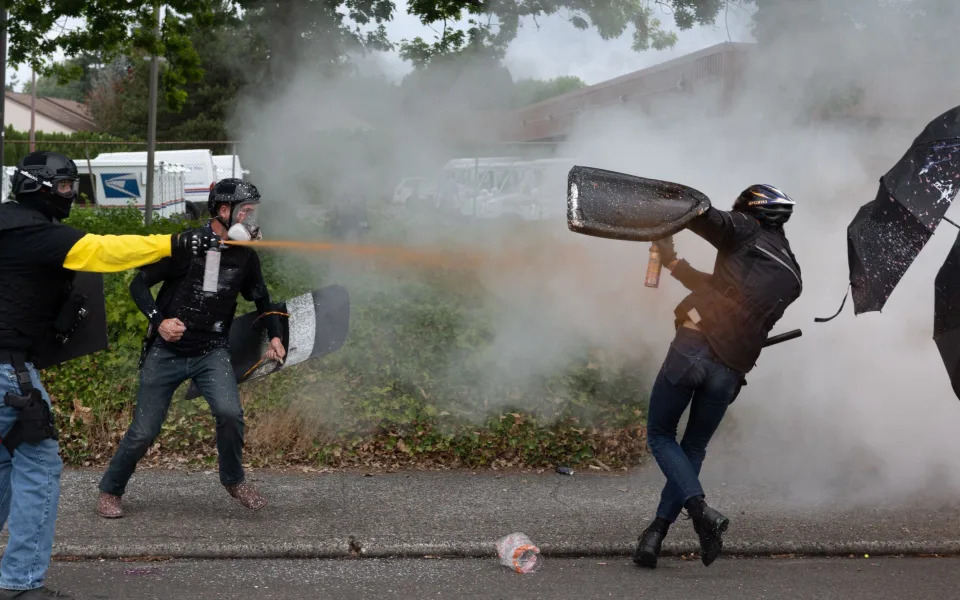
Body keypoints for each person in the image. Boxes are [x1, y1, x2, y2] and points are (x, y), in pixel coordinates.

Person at [0, 151, 219, 600]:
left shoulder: (7, 225)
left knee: (4, 462)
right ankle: (21, 583)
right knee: (38, 464)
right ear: (36, 187)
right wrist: (174, 244)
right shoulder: (36, 235)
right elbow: (103, 250)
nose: (69, 196)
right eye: (63, 187)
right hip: (7, 370)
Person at [633, 184, 802, 569]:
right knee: (692, 449)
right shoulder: (790, 273)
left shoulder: (744, 229)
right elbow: (722, 291)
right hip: (729, 371)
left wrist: (663, 207)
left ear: (751, 210)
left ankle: (701, 512)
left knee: (660, 436)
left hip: (694, 348)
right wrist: (673, 262)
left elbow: (697, 214)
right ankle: (655, 534)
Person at [96, 178, 285, 519]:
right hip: (166, 352)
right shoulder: (188, 245)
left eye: (254, 213)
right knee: (143, 432)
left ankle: (233, 480)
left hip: (211, 351)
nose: (252, 221)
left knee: (229, 414)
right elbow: (138, 283)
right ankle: (110, 490)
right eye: (246, 212)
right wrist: (159, 320)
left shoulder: (245, 257)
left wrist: (275, 336)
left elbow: (262, 300)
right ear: (224, 211)